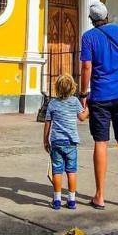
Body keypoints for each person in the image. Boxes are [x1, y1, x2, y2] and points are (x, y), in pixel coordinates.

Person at [79, 0, 118, 209]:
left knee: (101, 143)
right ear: (107, 15)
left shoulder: (88, 37)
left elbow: (86, 67)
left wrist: (83, 92)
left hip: (100, 97)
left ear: (91, 20)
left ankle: (100, 196)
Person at [43, 73, 89, 210]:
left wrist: (45, 140)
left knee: (57, 170)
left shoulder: (52, 103)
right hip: (71, 142)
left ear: (57, 88)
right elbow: (82, 117)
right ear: (73, 88)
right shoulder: (75, 102)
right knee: (71, 171)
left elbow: (47, 123)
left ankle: (57, 199)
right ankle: (71, 200)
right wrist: (89, 108)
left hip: (56, 142)